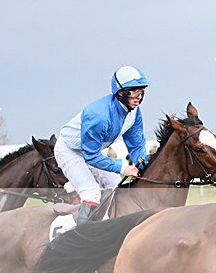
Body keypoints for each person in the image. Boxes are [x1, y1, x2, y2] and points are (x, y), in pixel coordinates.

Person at [54, 66, 150, 224]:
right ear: (120, 92)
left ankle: (108, 225)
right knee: (91, 193)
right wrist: (123, 169)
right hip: (70, 151)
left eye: (141, 91)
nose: (139, 96)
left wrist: (145, 166)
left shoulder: (134, 113)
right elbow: (90, 156)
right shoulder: (99, 115)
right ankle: (80, 238)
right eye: (134, 91)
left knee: (114, 185)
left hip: (93, 151)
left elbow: (136, 146)